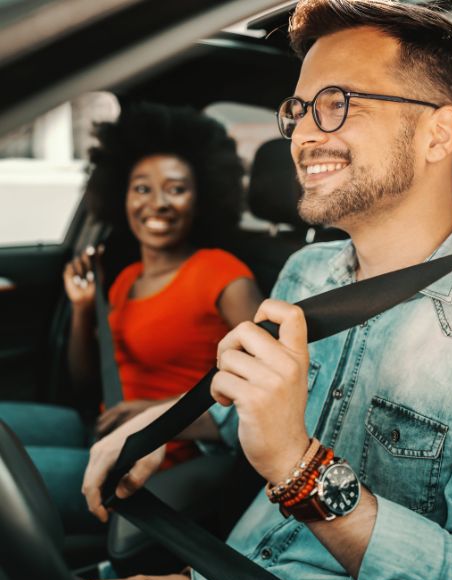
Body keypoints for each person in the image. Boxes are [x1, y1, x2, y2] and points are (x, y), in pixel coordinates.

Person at [80, 1, 452, 580]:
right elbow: (244, 407)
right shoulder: (306, 274)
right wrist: (151, 430)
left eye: (339, 103)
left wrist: (300, 467)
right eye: (298, 109)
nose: (305, 134)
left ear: (436, 133)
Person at [0, 103, 262, 533]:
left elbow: (266, 386)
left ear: (202, 198)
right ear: (121, 196)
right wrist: (84, 309)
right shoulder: (125, 279)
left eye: (176, 189)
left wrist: (156, 411)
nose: (157, 204)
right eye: (142, 189)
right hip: (101, 432)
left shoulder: (222, 275)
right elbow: (85, 382)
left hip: (154, 458)